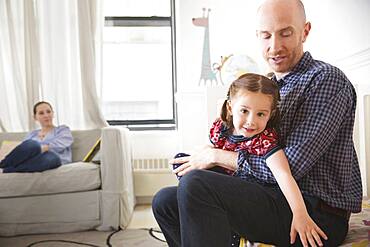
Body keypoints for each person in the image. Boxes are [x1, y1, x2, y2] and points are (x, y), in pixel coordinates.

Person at [152, 0, 362, 246]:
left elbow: (290, 167)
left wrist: (216, 156)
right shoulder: (267, 86)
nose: (275, 46)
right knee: (165, 201)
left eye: (285, 33)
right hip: (270, 196)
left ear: (305, 31)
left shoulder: (326, 80)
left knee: (196, 185)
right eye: (266, 36)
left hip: (314, 212)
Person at [0, 101, 73, 173]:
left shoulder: (62, 129)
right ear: (35, 117)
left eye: (48, 112)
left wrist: (38, 149)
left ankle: (6, 170)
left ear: (53, 114)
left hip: (54, 160)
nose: (46, 115)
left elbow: (61, 144)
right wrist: (34, 149)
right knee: (32, 144)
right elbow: (23, 150)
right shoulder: (32, 134)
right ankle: (2, 165)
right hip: (33, 160)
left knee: (52, 157)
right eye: (41, 113)